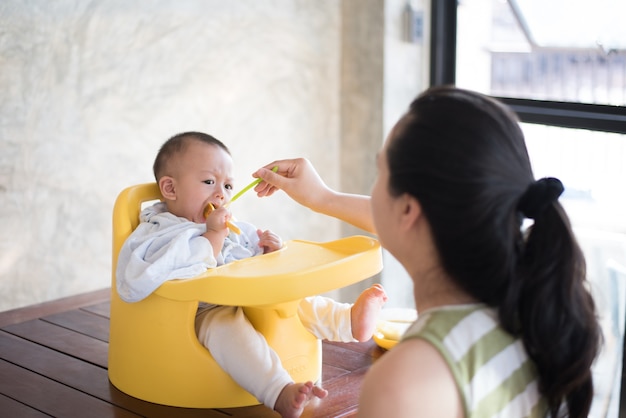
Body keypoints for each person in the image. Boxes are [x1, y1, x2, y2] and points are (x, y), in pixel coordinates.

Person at [251, 86, 601, 418]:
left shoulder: (407, 380)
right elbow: (405, 217)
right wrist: (323, 198)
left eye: (380, 173)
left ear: (408, 211)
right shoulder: (530, 321)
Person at [115, 131, 388, 418]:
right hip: (200, 313)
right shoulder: (159, 231)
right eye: (209, 182)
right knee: (225, 327)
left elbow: (247, 264)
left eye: (228, 185)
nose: (221, 194)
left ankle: (347, 321)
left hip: (244, 300)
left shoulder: (231, 225)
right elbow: (144, 276)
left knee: (290, 302)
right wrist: (212, 236)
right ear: (170, 189)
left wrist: (269, 252)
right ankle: (278, 390)